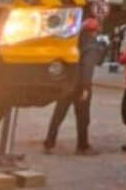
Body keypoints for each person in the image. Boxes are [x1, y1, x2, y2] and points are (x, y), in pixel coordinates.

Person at [43, 17, 106, 155]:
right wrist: (85, 87)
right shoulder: (91, 47)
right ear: (94, 32)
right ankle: (82, 146)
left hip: (67, 84)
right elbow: (87, 68)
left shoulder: (73, 43)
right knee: (83, 117)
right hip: (80, 85)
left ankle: (49, 142)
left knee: (59, 114)